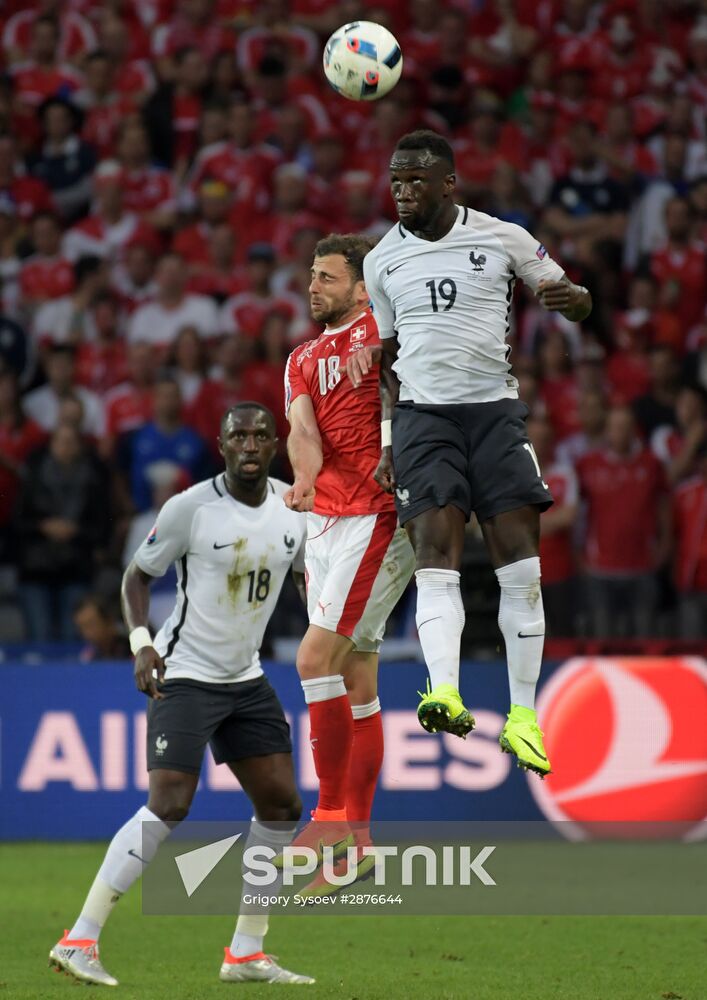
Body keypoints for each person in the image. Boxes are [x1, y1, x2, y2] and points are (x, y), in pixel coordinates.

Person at [349, 130, 592, 777]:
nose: (402, 191)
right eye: (395, 180)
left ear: (448, 183)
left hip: (493, 416)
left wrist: (575, 302)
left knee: (520, 566)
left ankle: (521, 717)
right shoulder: (380, 262)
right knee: (435, 555)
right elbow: (388, 361)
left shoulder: (501, 237)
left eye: (416, 180)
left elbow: (570, 292)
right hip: (424, 421)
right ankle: (446, 691)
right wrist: (387, 439)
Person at [50, 402, 314, 986]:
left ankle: (246, 953)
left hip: (245, 678)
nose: (249, 444)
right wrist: (142, 643)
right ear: (220, 445)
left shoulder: (296, 508)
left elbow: (303, 577)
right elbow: (136, 577)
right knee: (169, 802)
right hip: (186, 672)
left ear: (276, 444)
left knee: (281, 807)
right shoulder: (190, 508)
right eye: (237, 434)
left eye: (259, 435)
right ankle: (79, 939)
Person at [284, 233, 415, 890]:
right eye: (311, 275)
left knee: (313, 659)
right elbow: (302, 431)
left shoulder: (382, 328)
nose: (313, 286)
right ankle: (358, 843)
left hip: (377, 514)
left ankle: (329, 815)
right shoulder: (301, 357)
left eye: (327, 277)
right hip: (325, 521)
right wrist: (303, 479)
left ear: (361, 287)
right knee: (358, 680)